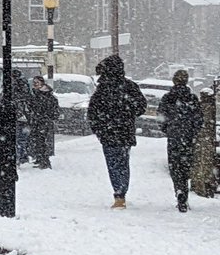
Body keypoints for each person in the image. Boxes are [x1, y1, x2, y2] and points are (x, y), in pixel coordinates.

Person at [86, 54, 148, 208]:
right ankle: (121, 193)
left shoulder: (102, 89)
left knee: (113, 163)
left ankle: (118, 193)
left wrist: (99, 129)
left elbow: (92, 112)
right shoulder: (129, 87)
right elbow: (141, 106)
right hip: (125, 132)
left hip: (108, 132)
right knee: (123, 162)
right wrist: (128, 112)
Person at [158, 70, 202, 212]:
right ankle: (184, 191)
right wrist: (193, 131)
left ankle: (179, 190)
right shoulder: (192, 98)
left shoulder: (168, 97)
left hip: (174, 137)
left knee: (175, 166)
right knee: (185, 165)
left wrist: (167, 129)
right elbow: (199, 118)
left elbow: (161, 117)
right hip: (188, 137)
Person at [28, 75, 60, 169]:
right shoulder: (36, 95)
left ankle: (45, 161)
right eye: (34, 83)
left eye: (37, 83)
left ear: (42, 84)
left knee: (42, 142)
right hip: (37, 121)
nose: (35, 85)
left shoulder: (46, 96)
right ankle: (40, 159)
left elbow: (53, 110)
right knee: (37, 141)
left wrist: (46, 117)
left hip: (43, 122)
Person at [190, 89, 216, 198]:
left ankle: (199, 185)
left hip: (201, 139)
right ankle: (204, 186)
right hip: (206, 139)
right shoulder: (211, 108)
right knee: (205, 163)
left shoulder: (198, 107)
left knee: (199, 163)